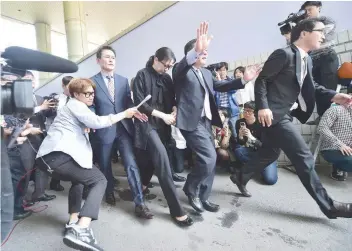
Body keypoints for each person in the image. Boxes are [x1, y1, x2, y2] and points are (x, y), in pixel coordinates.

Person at [229, 18, 352, 219]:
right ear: (304, 32)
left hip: (282, 114)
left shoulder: (307, 60)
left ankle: (240, 176)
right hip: (273, 115)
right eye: (320, 31)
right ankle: (329, 206)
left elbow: (312, 87)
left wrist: (334, 95)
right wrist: (263, 108)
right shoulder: (283, 54)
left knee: (269, 153)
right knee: (304, 156)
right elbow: (262, 81)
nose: (323, 35)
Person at [35, 78, 143, 251]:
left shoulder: (74, 109)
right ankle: (82, 228)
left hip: (52, 159)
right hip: (58, 156)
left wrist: (86, 125)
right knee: (99, 180)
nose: (92, 96)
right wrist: (125, 114)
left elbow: (88, 122)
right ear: (76, 94)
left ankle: (73, 221)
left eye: (93, 93)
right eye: (87, 93)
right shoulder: (76, 104)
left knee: (80, 180)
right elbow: (98, 122)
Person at [172, 22, 260, 213]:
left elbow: (221, 87)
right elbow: (182, 65)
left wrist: (244, 80)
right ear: (192, 53)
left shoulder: (206, 72)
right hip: (191, 123)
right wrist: (196, 50)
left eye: (205, 52)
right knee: (210, 157)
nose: (205, 54)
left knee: (209, 161)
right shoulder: (181, 72)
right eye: (201, 52)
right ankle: (190, 189)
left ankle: (203, 196)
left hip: (206, 122)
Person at [133, 47, 193, 227]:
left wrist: (174, 110)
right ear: (156, 59)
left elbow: (172, 100)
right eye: (165, 65)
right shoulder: (141, 75)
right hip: (147, 125)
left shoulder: (167, 78)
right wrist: (164, 116)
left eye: (170, 66)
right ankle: (177, 210)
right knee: (163, 161)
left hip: (163, 126)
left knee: (151, 160)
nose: (167, 69)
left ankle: (142, 186)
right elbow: (141, 104)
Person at [90, 46, 148, 215]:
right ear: (98, 60)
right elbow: (91, 106)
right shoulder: (92, 81)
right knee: (105, 163)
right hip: (104, 129)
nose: (110, 60)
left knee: (130, 163)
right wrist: (91, 120)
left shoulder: (123, 80)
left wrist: (134, 110)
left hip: (123, 128)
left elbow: (127, 102)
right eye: (107, 57)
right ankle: (108, 192)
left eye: (113, 57)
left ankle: (140, 203)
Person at [234, 101, 278, 185]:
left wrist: (251, 137)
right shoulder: (239, 123)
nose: (246, 113)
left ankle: (262, 166)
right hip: (252, 151)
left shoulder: (262, 123)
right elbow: (241, 142)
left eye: (249, 111)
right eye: (245, 110)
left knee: (270, 180)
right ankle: (258, 168)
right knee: (239, 151)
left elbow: (264, 146)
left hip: (266, 154)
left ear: (255, 112)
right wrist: (240, 136)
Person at [318, 92, 352, 180]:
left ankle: (342, 167)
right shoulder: (335, 110)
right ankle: (339, 167)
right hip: (332, 149)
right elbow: (322, 128)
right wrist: (339, 144)